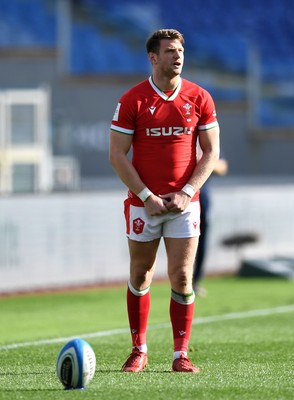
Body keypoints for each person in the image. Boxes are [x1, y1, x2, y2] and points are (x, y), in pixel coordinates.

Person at [109, 29, 220, 373]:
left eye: (181, 50)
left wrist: (187, 193)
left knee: (183, 277)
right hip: (144, 204)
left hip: (184, 204)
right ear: (153, 57)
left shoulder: (199, 97)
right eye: (170, 51)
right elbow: (117, 155)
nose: (178, 56)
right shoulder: (133, 100)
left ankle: (180, 354)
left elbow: (212, 152)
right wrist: (147, 196)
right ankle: (138, 350)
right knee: (141, 275)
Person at [192, 155, 228, 297]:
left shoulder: (206, 141)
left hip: (201, 201)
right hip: (175, 200)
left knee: (201, 242)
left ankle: (195, 281)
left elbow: (222, 167)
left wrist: (203, 161)